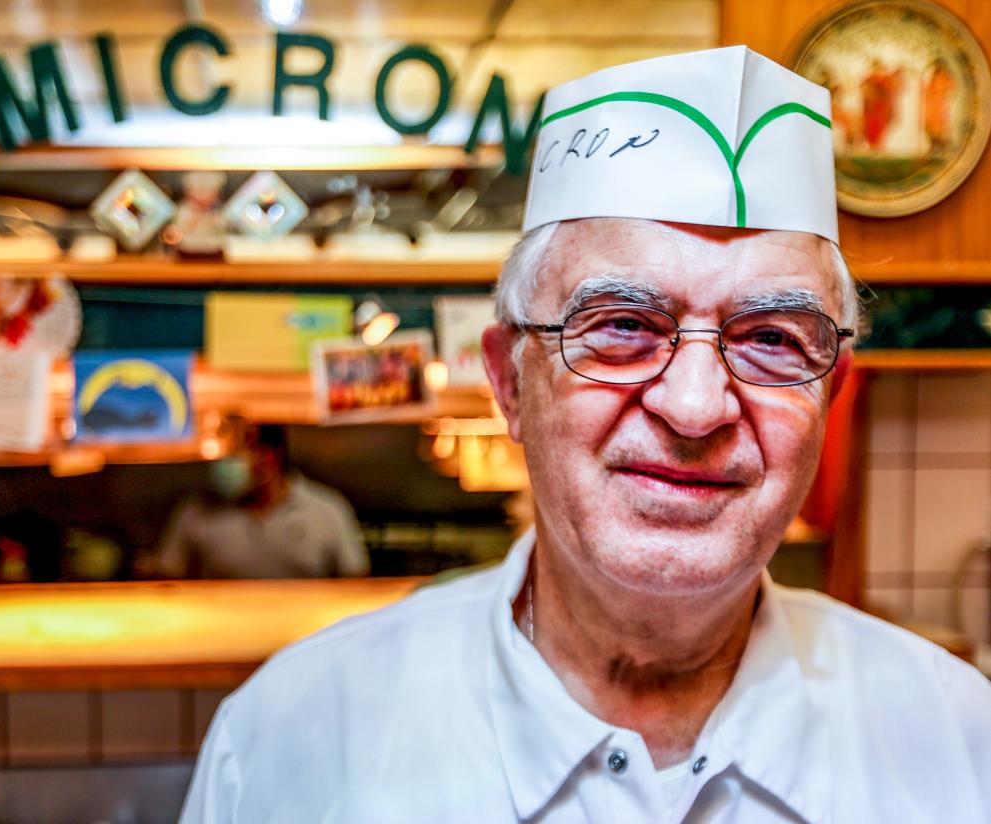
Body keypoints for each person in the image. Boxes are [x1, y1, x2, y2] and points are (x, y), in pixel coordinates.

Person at [179, 47, 991, 822]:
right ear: (509, 383)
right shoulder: (293, 742)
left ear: (830, 391)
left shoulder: (959, 745)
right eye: (621, 325)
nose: (697, 406)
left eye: (772, 339)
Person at [151, 422, 368, 579]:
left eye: (235, 452)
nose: (223, 462)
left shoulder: (327, 509)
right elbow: (166, 578)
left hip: (309, 639)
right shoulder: (196, 513)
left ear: (270, 458)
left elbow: (356, 582)